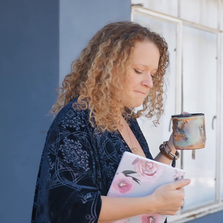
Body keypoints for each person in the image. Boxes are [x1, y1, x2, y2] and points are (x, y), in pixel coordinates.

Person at [32, 21, 191, 223]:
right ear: (108, 67)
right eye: (138, 70)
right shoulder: (77, 118)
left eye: (152, 74)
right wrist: (153, 204)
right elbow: (72, 209)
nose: (149, 83)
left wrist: (172, 146)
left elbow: (143, 184)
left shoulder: (125, 118)